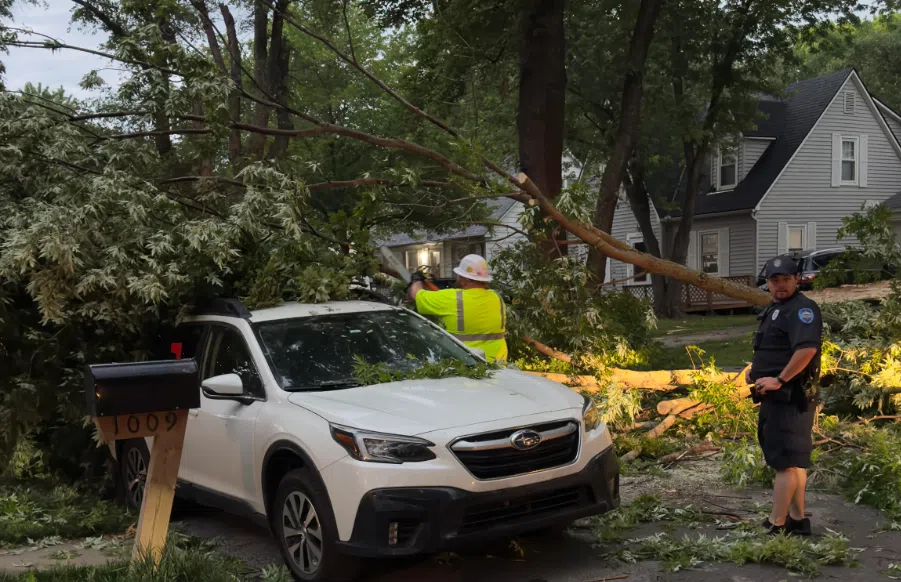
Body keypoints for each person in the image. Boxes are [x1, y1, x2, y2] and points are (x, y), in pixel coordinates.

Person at [747, 255, 823, 536]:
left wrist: (779, 379)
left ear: (797, 279)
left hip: (791, 397)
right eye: (774, 281)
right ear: (767, 283)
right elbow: (774, 348)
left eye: (785, 280)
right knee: (794, 461)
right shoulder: (777, 308)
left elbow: (806, 350)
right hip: (779, 395)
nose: (779, 285)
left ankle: (776, 524)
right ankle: (798, 520)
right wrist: (754, 371)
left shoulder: (803, 310)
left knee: (784, 463)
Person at [407, 254, 508, 363]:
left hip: (465, 366)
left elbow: (415, 294)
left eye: (459, 275)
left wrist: (416, 280)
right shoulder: (497, 298)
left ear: (465, 279)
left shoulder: (451, 298)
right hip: (498, 366)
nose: (457, 277)